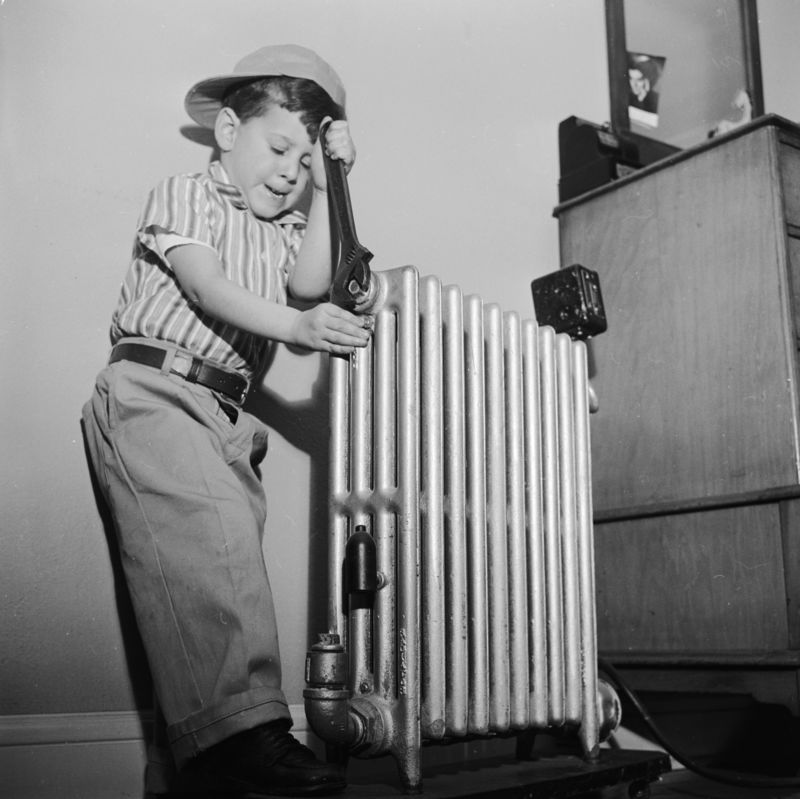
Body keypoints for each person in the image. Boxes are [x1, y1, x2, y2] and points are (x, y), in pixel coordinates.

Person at [82, 44, 373, 797]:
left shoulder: (281, 232)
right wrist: (297, 330)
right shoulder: (185, 195)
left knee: (197, 585)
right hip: (156, 387)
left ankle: (185, 772)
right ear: (228, 130)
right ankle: (247, 740)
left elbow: (313, 279)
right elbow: (208, 287)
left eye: (303, 160)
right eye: (280, 147)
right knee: (215, 563)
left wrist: (337, 176)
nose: (288, 169)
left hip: (225, 415)